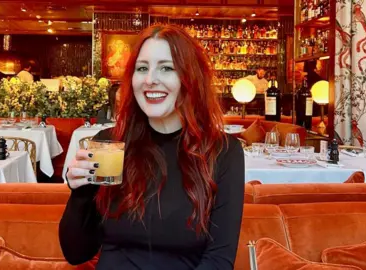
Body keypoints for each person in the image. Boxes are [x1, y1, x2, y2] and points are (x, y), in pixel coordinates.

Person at [59, 24, 245, 270]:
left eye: (166, 68)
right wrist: (80, 192)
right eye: (142, 68)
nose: (150, 80)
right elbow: (76, 253)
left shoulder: (223, 151)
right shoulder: (109, 143)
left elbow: (219, 260)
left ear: (190, 78)